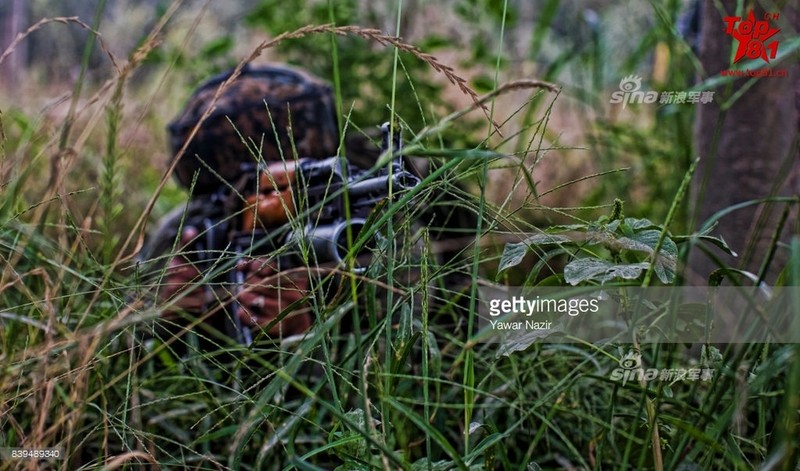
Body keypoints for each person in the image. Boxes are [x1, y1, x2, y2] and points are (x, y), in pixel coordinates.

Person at [140, 63, 342, 343]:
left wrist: (304, 339)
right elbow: (117, 352)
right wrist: (166, 321)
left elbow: (409, 357)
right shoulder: (189, 231)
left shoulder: (366, 220)